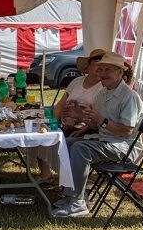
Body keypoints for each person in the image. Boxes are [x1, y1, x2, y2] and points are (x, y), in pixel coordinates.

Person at [51, 52, 143, 218]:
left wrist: (102, 121)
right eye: (100, 69)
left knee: (81, 148)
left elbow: (126, 131)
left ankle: (78, 202)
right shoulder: (103, 93)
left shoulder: (129, 97)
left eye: (108, 70)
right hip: (106, 140)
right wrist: (80, 116)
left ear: (120, 72)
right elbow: (97, 125)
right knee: (67, 142)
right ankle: (70, 194)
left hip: (123, 146)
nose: (102, 74)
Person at [33, 48, 105, 183]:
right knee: (40, 134)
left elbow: (99, 116)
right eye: (96, 64)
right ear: (88, 66)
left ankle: (71, 178)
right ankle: (45, 173)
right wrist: (54, 122)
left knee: (67, 142)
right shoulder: (77, 81)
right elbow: (61, 104)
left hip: (85, 128)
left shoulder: (104, 87)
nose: (100, 69)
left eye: (103, 66)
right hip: (65, 124)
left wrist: (82, 125)